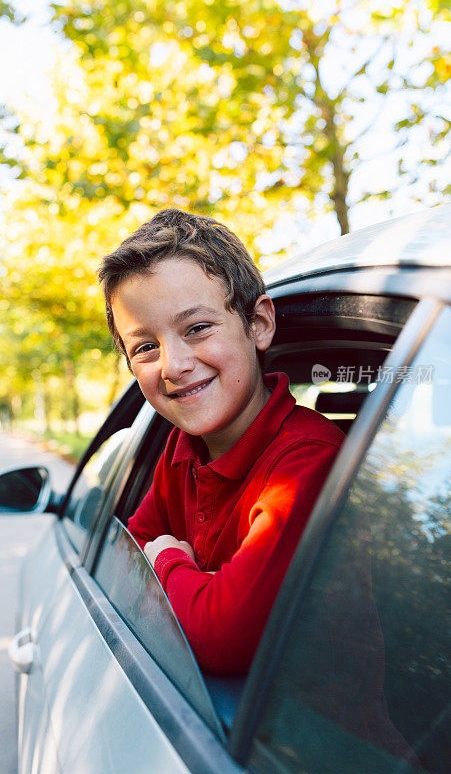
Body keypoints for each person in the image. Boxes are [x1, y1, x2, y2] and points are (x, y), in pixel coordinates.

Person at [98, 209, 344, 675]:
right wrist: (198, 587)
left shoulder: (307, 461)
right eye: (145, 347)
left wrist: (169, 559)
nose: (173, 365)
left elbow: (219, 638)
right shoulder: (179, 450)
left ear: (259, 324)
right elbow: (129, 554)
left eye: (197, 328)